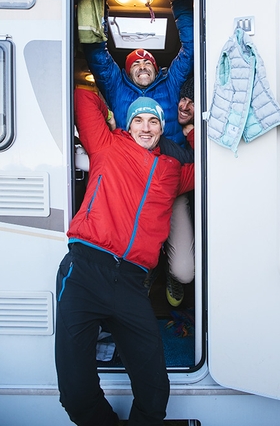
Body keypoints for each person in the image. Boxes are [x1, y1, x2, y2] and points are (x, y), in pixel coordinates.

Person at [55, 88, 194, 426]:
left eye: (153, 122)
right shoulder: (106, 145)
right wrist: (110, 114)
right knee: (75, 394)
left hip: (131, 284)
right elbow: (81, 94)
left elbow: (214, 165)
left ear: (161, 129)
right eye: (138, 120)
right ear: (129, 126)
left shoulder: (173, 170)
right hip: (85, 271)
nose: (145, 128)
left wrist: (190, 127)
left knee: (155, 392)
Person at [82, 0, 193, 145]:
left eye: (148, 63)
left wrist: (179, 0)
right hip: (129, 162)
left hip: (172, 162)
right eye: (135, 64)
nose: (142, 67)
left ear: (156, 70)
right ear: (128, 73)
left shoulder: (170, 83)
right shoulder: (117, 87)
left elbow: (190, 50)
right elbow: (97, 55)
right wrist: (99, 8)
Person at [165, 77, 195, 307]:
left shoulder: (199, 131)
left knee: (185, 271)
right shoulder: (160, 126)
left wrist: (193, 134)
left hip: (181, 191)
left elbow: (209, 162)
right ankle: (152, 266)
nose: (184, 106)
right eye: (183, 98)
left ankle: (170, 271)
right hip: (152, 188)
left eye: (193, 102)